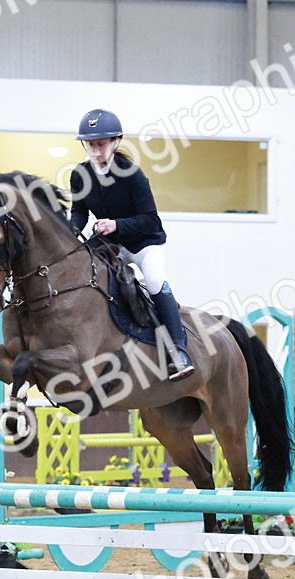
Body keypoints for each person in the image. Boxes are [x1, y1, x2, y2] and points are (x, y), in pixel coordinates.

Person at [69, 108, 194, 382]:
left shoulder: (132, 175)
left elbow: (150, 219)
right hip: (111, 244)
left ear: (115, 142)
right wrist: (72, 229)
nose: (96, 150)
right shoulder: (79, 175)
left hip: (144, 242)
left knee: (154, 281)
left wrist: (116, 224)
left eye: (101, 144)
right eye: (90, 144)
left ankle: (178, 349)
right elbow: (79, 211)